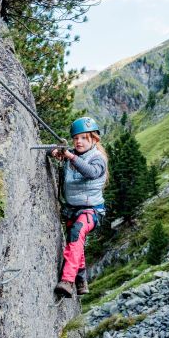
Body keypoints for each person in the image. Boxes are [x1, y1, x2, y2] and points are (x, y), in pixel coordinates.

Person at [51, 117, 108, 298]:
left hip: (91, 211)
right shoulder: (71, 154)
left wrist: (70, 157)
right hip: (72, 209)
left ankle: (67, 281)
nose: (79, 142)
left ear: (93, 139)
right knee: (75, 242)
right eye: (76, 138)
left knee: (76, 234)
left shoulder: (98, 159)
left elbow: (90, 173)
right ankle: (81, 280)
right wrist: (54, 152)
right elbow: (51, 153)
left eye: (84, 138)